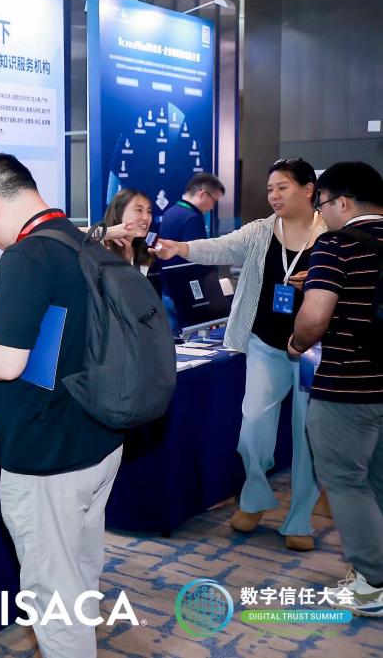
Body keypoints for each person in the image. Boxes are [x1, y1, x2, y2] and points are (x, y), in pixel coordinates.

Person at [0, 154, 124, 657]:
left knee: (51, 594)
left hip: (48, 452)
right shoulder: (78, 240)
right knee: (79, 569)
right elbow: (63, 331)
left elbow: (6, 363)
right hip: (99, 436)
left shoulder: (25, 256)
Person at [155, 158, 324, 551]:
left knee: (308, 435)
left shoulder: (330, 234)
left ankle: (300, 520)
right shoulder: (262, 230)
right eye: (270, 189)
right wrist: (181, 247)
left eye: (282, 187)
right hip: (265, 344)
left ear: (308, 190)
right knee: (252, 429)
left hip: (313, 349)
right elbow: (221, 246)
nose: (274, 196)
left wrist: (316, 280)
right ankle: (255, 498)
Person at [288, 161, 383, 616]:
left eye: (322, 205)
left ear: (342, 202)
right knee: (378, 480)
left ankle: (374, 583)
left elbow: (315, 318)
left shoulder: (336, 244)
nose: (322, 215)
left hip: (348, 385)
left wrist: (296, 343)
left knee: (345, 481)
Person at [152, 172, 226, 330]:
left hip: (168, 291)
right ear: (202, 194)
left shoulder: (170, 212)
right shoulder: (193, 218)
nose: (212, 207)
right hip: (187, 297)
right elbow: (198, 261)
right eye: (214, 201)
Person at [89, 188, 156, 274]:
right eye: (139, 210)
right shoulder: (99, 248)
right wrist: (107, 232)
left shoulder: (142, 251)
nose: (146, 217)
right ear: (117, 214)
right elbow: (73, 233)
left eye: (149, 211)